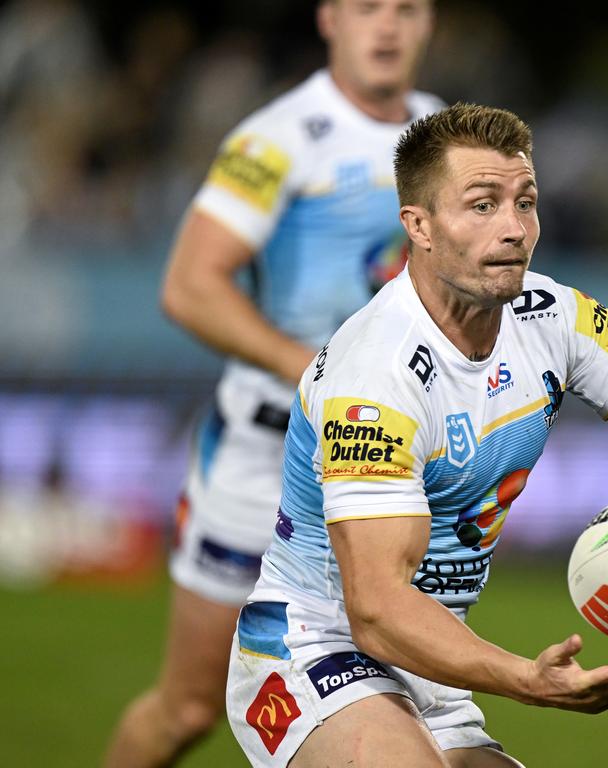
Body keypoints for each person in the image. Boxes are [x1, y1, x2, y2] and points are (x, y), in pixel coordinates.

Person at [225, 103, 608, 767]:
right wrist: (526, 679)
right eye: (482, 205)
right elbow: (377, 607)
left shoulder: (555, 318)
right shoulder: (377, 375)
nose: (513, 229)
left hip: (430, 664)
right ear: (419, 226)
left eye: (524, 202)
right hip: (311, 649)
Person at [105, 2, 441, 765]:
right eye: (366, 8)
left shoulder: (442, 134)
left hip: (382, 465)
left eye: (407, 9)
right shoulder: (278, 138)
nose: (385, 27)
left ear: (431, 23)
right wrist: (320, 373)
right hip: (264, 456)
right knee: (188, 707)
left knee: (400, 714)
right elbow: (191, 285)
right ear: (328, 18)